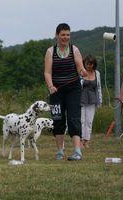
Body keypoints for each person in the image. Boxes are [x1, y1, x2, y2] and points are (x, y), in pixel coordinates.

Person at [44, 23, 87, 161]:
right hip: (56, 90)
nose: (65, 37)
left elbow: (80, 66)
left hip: (73, 89)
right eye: (63, 34)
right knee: (58, 119)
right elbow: (47, 72)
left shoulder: (74, 49)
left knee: (74, 118)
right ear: (57, 35)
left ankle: (77, 151)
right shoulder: (50, 51)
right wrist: (51, 86)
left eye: (68, 35)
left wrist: (83, 71)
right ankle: (60, 151)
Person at [80, 54, 102, 148]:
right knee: (81, 121)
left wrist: (100, 100)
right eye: (87, 64)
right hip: (80, 99)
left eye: (91, 64)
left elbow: (99, 88)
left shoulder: (97, 73)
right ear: (84, 63)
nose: (89, 66)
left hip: (92, 99)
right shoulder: (80, 72)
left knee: (89, 121)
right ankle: (80, 140)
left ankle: (86, 140)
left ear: (94, 64)